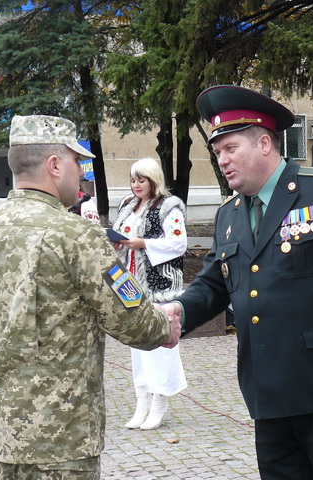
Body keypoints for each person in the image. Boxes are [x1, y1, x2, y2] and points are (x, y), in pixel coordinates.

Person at [161, 85, 313, 480]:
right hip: (266, 391)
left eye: (230, 148)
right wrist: (180, 309)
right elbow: (215, 282)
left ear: (264, 143)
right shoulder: (229, 213)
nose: (223, 160)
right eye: (217, 153)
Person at [0, 114, 180, 480]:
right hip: (63, 440)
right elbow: (134, 320)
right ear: (54, 165)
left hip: (2, 434)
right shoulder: (76, 235)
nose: (83, 173)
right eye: (78, 162)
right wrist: (164, 327)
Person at [112, 157, 188, 430]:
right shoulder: (127, 206)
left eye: (141, 180)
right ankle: (141, 400)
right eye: (133, 180)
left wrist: (142, 243)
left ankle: (159, 401)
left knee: (160, 344)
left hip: (159, 285)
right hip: (129, 285)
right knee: (137, 345)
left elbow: (178, 243)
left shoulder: (169, 207)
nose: (136, 185)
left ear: (153, 180)